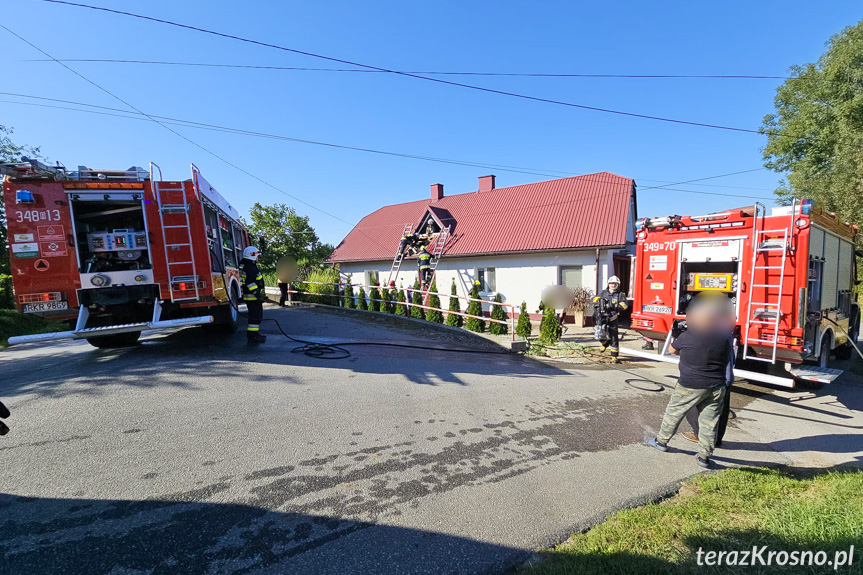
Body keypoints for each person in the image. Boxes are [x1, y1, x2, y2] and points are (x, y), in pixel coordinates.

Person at [645, 295, 733, 468]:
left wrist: (678, 336)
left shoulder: (688, 336)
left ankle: (661, 442)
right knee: (709, 422)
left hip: (690, 384)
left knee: (674, 413)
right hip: (716, 386)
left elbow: (671, 350)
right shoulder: (724, 338)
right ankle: (704, 457)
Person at [593, 276, 628, 363]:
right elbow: (595, 300)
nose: (613, 285)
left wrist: (615, 306)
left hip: (613, 318)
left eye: (615, 284)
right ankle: (605, 343)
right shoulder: (603, 293)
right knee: (600, 334)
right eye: (611, 283)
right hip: (602, 317)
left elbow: (625, 305)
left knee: (613, 337)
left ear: (617, 285)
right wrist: (597, 305)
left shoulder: (620, 295)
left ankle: (614, 357)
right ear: (608, 284)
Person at [240, 246, 267, 343]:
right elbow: (250, 283)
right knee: (255, 317)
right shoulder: (250, 268)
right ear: (252, 256)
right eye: (257, 256)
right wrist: (257, 294)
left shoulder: (249, 267)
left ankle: (254, 334)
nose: (257, 258)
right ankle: (252, 336)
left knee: (256, 316)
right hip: (253, 298)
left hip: (252, 297)